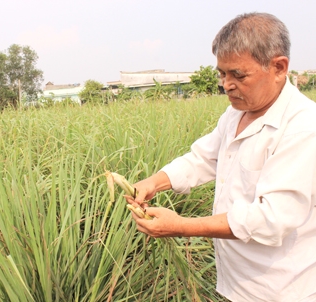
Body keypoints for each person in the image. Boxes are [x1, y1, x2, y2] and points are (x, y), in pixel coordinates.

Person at [126, 12, 316, 301]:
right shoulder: (236, 112)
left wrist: (182, 227)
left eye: (238, 75)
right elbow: (204, 158)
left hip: (280, 289)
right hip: (236, 281)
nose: (226, 84)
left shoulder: (302, 128)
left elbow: (271, 218)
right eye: (222, 73)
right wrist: (154, 182)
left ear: (278, 67)